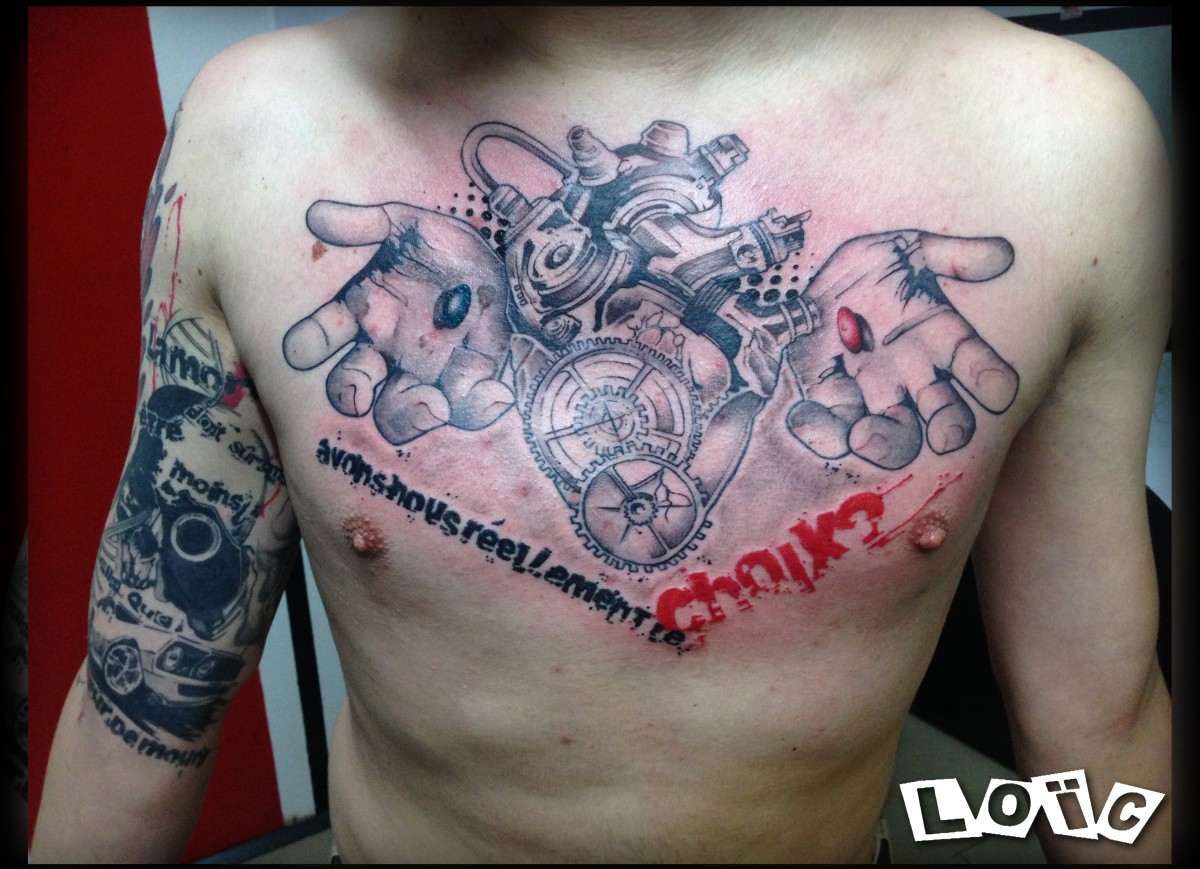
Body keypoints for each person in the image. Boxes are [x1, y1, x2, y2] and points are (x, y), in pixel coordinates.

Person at [32, 7, 1171, 862]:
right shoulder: (259, 135)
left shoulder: (1059, 147)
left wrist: (777, 397)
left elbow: (1099, 726)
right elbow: (144, 696)